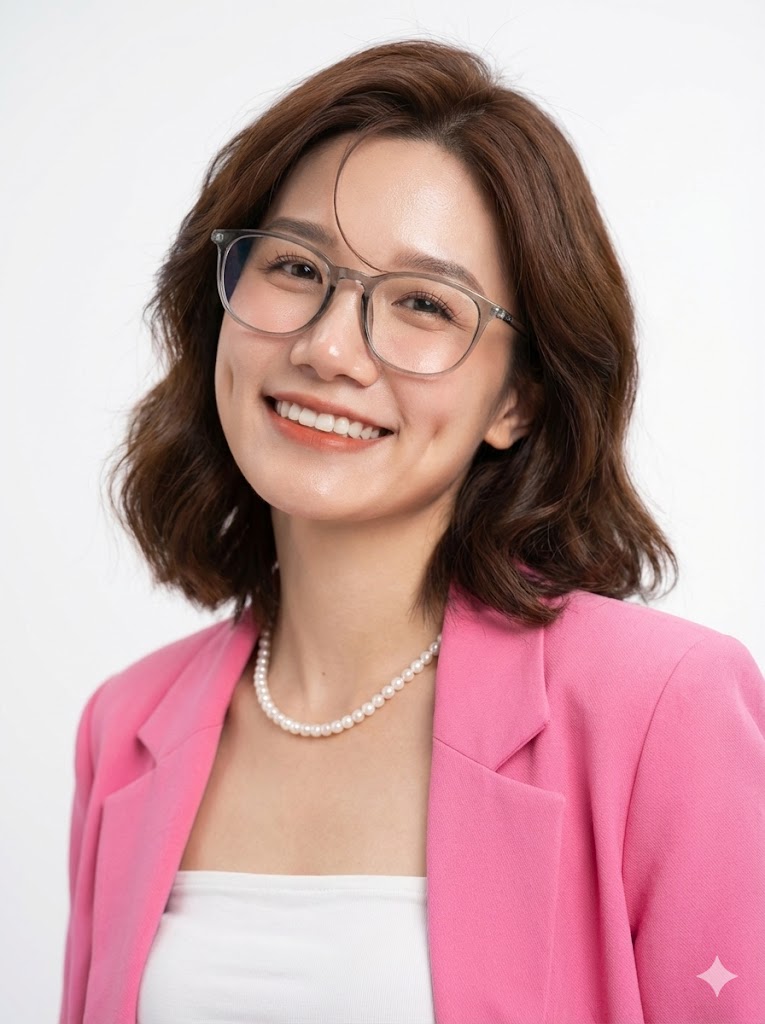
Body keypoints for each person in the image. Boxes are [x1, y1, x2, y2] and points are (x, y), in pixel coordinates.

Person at [58, 38, 764, 1024]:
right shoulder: (125, 728)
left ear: (516, 399)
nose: (329, 346)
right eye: (296, 266)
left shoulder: (662, 710)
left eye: (424, 303)